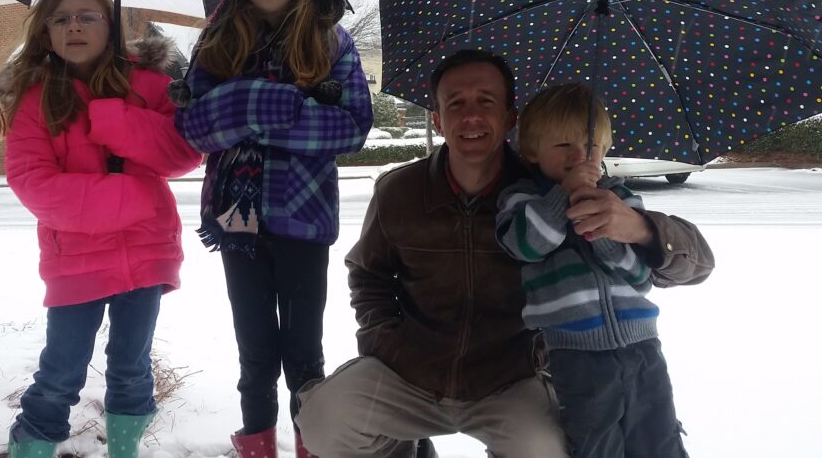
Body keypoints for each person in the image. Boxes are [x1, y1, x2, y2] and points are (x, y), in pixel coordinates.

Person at [295, 49, 714, 458]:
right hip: (411, 374)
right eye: (455, 103)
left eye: (486, 101)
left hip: (509, 381)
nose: (471, 115)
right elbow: (367, 275)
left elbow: (696, 264)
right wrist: (385, 341)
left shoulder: (552, 187)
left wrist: (639, 228)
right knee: (323, 422)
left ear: (509, 118)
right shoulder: (399, 191)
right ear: (438, 120)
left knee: (544, 450)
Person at [170, 0, 373, 458]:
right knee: (255, 348)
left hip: (304, 217)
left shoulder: (333, 43)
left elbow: (352, 126)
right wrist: (263, 101)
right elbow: (192, 125)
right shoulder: (216, 41)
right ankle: (257, 443)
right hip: (238, 217)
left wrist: (251, 116)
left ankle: (312, 444)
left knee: (304, 351)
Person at [0, 0, 202, 458]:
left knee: (131, 364)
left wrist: (116, 115)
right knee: (61, 368)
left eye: (87, 16)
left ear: (110, 26)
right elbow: (33, 183)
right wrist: (128, 195)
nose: (74, 26)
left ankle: (125, 447)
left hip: (144, 254)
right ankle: (32, 445)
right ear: (45, 32)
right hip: (75, 259)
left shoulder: (147, 85)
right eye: (61, 18)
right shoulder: (37, 100)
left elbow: (183, 153)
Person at [495, 82, 688, 457]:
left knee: (659, 440)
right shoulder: (520, 198)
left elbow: (640, 278)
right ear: (531, 150)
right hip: (575, 355)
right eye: (564, 145)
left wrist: (606, 230)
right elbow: (524, 247)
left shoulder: (620, 198)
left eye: (592, 146)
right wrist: (562, 198)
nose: (580, 156)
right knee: (596, 445)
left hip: (643, 346)